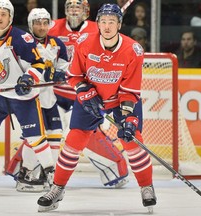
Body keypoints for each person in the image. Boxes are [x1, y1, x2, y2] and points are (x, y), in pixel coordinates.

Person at [37, 3, 157, 212]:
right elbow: (74, 76)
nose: (107, 26)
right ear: (98, 23)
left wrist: (128, 120)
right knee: (73, 142)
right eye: (103, 21)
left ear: (119, 24)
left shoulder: (133, 50)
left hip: (120, 101)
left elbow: (130, 91)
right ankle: (57, 187)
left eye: (112, 22)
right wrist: (85, 92)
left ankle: (146, 187)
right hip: (91, 98)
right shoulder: (85, 43)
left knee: (133, 143)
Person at [48, 0, 129, 188]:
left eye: (78, 7)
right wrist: (51, 70)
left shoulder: (97, 29)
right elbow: (36, 50)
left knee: (85, 135)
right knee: (43, 132)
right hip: (56, 94)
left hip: (83, 95)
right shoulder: (52, 26)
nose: (74, 10)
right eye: (70, 6)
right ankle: (32, 171)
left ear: (86, 11)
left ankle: (115, 170)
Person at [0, 0, 55, 194]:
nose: (0, 17)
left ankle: (53, 177)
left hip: (23, 96)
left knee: (36, 137)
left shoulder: (22, 38)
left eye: (4, 14)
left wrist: (28, 79)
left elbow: (39, 64)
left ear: (10, 17)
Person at [8, 7, 69, 192]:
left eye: (44, 23)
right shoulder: (23, 42)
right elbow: (22, 69)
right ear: (30, 25)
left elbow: (66, 68)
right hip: (29, 99)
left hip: (49, 98)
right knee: (34, 137)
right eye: (37, 23)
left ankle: (46, 173)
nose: (41, 27)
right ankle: (26, 173)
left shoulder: (57, 44)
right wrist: (45, 74)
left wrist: (59, 74)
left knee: (55, 135)